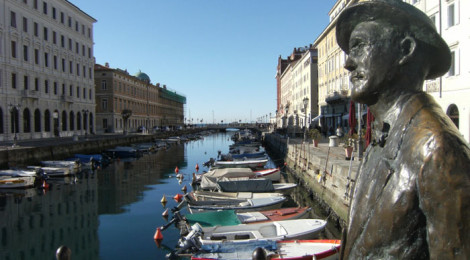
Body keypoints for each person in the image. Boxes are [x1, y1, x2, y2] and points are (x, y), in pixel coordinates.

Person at [335, 0, 470, 259]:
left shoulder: (438, 150)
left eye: (360, 46)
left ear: (404, 50)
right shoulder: (383, 137)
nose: (348, 63)